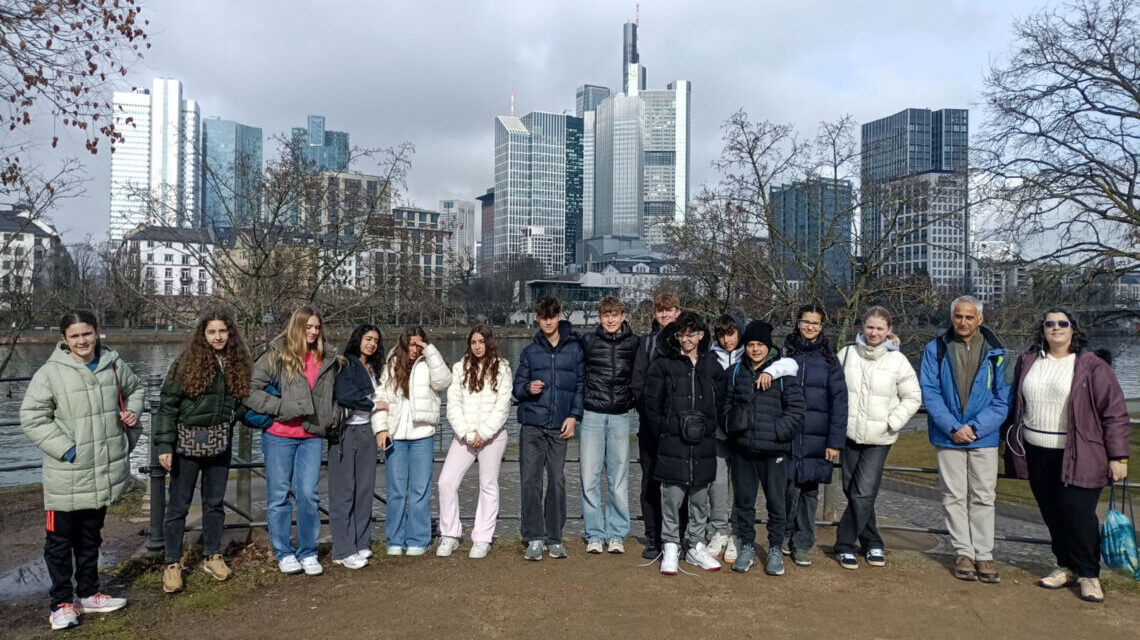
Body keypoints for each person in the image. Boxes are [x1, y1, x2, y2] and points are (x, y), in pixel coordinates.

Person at [20, 311, 144, 630]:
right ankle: (61, 603)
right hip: (66, 472)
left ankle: (88, 593)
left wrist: (131, 412)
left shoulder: (114, 365)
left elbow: (136, 389)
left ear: (97, 332)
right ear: (64, 339)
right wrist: (68, 449)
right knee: (59, 542)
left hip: (99, 470)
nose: (82, 341)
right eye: (74, 336)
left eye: (87, 333)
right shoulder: (50, 373)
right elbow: (32, 417)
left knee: (90, 537)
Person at [1004, 308, 1130, 603]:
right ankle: (1065, 566)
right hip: (1037, 452)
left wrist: (1119, 456)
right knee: (1052, 514)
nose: (1056, 328)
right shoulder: (1028, 361)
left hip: (1081, 452)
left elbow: (1114, 412)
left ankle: (1089, 574)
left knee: (1078, 514)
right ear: (1043, 329)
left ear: (1073, 329)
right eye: (1050, 324)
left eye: (1063, 323)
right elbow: (1016, 404)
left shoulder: (1090, 365)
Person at [155, 310, 251, 593]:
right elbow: (168, 405)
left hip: (219, 441)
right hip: (186, 444)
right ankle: (172, 563)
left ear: (230, 334)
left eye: (223, 331)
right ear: (203, 334)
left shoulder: (237, 363)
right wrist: (164, 445)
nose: (218, 337)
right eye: (212, 332)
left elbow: (242, 400)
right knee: (178, 506)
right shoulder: (186, 363)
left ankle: (212, 555)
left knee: (214, 503)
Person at [246, 306, 343, 577]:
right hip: (280, 436)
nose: (313, 332)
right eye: (308, 327)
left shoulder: (326, 358)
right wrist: (280, 408)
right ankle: (284, 552)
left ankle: (308, 550)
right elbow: (250, 391)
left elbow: (333, 395)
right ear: (297, 327)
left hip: (311, 436)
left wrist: (330, 416)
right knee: (278, 495)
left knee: (308, 495)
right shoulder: (277, 355)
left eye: (317, 327)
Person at [920, 295, 1010, 584]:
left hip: (983, 436)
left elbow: (1003, 398)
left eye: (969, 317)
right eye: (958, 316)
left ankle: (984, 554)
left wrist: (975, 427)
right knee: (954, 495)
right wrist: (953, 427)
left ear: (980, 320)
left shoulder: (997, 352)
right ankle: (963, 552)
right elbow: (929, 392)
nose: (963, 321)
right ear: (952, 317)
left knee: (984, 496)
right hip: (949, 436)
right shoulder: (935, 348)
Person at [834, 306, 921, 570]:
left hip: (879, 438)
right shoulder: (846, 354)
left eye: (879, 328)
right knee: (853, 492)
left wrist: (892, 423)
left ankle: (845, 544)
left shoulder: (898, 362)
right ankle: (872, 541)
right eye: (870, 327)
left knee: (863, 493)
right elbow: (834, 391)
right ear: (862, 327)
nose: (874, 333)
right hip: (848, 435)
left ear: (889, 331)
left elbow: (913, 397)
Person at [644, 311, 724, 575]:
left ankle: (696, 545)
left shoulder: (712, 365)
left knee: (701, 499)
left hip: (703, 442)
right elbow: (651, 403)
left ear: (702, 336)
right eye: (682, 335)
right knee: (672, 497)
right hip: (673, 441)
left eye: (692, 335)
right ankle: (670, 545)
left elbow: (722, 402)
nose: (686, 340)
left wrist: (710, 427)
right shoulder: (663, 363)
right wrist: (664, 430)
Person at [723, 320, 806, 575]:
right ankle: (747, 545)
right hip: (743, 451)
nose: (755, 349)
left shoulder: (783, 375)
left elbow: (796, 411)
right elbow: (724, 405)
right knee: (744, 502)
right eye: (750, 345)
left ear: (768, 347)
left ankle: (774, 549)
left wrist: (776, 433)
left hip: (773, 452)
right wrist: (733, 425)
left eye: (760, 345)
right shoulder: (736, 372)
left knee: (776, 503)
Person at [514, 296, 584, 560]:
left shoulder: (574, 349)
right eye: (543, 317)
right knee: (530, 482)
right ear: (537, 319)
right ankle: (533, 537)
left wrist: (574, 416)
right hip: (532, 425)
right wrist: (527, 388)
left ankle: (554, 537)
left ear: (558, 317)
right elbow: (516, 388)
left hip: (559, 427)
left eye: (552, 317)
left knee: (557, 481)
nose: (547, 321)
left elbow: (580, 386)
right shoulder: (530, 352)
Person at [372, 326, 451, 556]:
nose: (415, 348)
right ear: (404, 343)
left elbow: (444, 382)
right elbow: (381, 397)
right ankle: (395, 539)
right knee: (396, 491)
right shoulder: (392, 363)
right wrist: (381, 428)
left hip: (422, 435)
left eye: (419, 343)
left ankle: (418, 538)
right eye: (412, 343)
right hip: (396, 435)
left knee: (420, 490)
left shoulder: (430, 363)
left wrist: (431, 352)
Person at [437, 326, 512, 559]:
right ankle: (450, 534)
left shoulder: (503, 368)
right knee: (445, 482)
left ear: (489, 343)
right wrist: (468, 434)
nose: (477, 346)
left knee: (487, 485)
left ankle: (482, 538)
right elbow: (453, 406)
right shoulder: (460, 369)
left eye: (481, 342)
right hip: (465, 436)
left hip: (493, 436)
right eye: (473, 342)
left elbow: (503, 406)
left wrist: (484, 433)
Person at [781, 304, 847, 567]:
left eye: (815, 323)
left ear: (822, 327)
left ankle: (804, 542)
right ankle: (785, 535)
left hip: (817, 436)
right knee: (786, 488)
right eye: (806, 322)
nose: (810, 327)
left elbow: (839, 402)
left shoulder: (830, 359)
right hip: (788, 433)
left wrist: (834, 442)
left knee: (809, 491)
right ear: (798, 323)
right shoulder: (785, 355)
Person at [579, 296, 640, 555]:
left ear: (623, 315)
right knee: (589, 477)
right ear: (600, 317)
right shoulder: (589, 342)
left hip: (620, 416)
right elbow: (579, 374)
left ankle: (616, 533)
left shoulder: (634, 343)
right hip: (592, 414)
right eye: (606, 315)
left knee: (618, 479)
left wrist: (632, 400)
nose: (611, 319)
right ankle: (594, 533)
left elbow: (640, 375)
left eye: (615, 314)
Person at [330, 325, 386, 570]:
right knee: (344, 493)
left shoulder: (372, 368)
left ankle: (361, 541)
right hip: (346, 432)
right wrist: (374, 405)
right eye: (367, 339)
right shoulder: (346, 364)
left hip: (366, 432)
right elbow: (345, 395)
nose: (371, 344)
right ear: (357, 339)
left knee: (364, 490)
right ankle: (343, 549)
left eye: (375, 340)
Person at [631, 292, 682, 559]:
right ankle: (653, 535)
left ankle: (677, 535)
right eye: (660, 311)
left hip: (679, 427)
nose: (664, 315)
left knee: (680, 481)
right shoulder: (647, 343)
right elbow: (637, 384)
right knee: (650, 480)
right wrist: (650, 416)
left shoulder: (687, 342)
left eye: (669, 310)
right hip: (651, 425)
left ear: (678, 312)